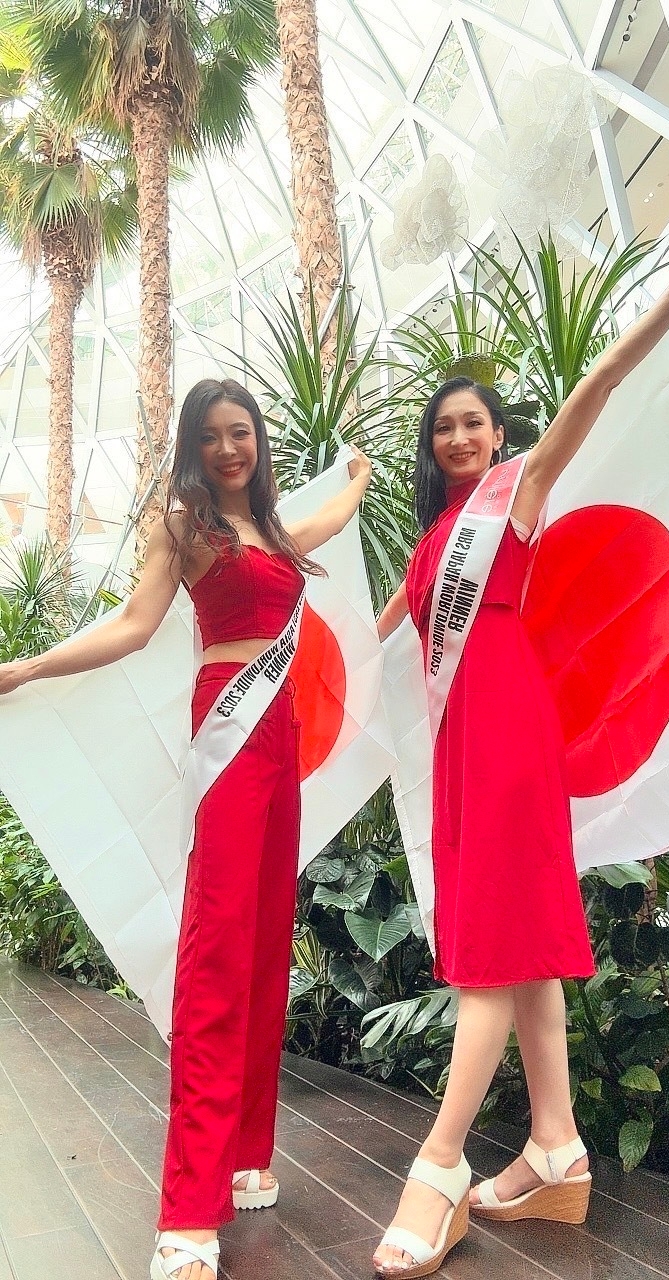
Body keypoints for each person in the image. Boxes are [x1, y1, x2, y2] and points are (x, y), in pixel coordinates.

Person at [373, 223, 669, 1279]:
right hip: (461, 746)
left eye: (473, 422)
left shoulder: (514, 498)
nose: (459, 437)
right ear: (431, 446)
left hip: (512, 735)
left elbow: (600, 382)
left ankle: (438, 1166)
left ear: (498, 435)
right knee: (518, 938)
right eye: (443, 427)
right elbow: (371, 637)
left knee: (492, 941)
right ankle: (557, 1146)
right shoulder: (429, 545)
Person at [0, 378, 372, 1280]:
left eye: (241, 433)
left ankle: (247, 1155)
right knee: (216, 951)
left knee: (265, 944)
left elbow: (324, 523)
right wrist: (29, 667)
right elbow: (134, 627)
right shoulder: (185, 525)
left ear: (259, 441)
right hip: (230, 731)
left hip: (282, 734)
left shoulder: (275, 530)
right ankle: (188, 1211)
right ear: (192, 446)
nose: (229, 449)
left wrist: (357, 480)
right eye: (211, 436)